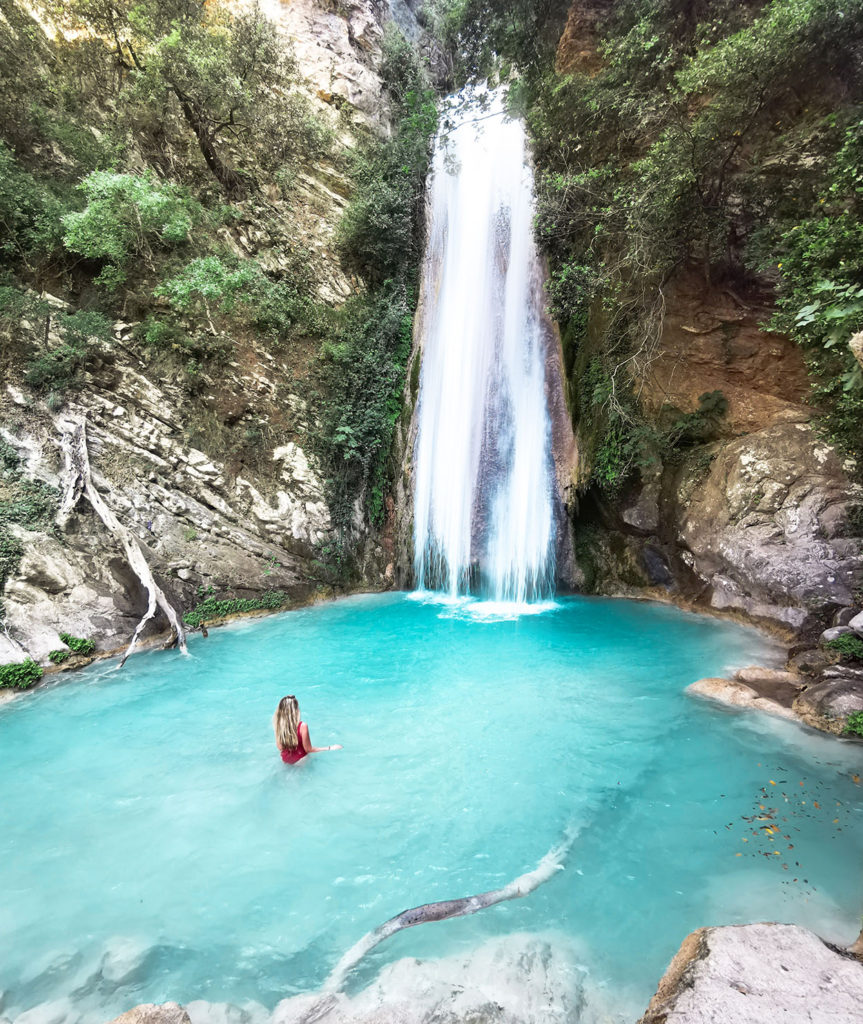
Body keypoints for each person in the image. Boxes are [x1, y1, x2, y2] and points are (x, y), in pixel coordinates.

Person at [273, 695, 342, 764]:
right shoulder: (302, 726)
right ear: (295, 710)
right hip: (300, 761)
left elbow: (280, 748)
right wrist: (329, 748)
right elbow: (309, 749)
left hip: (285, 760)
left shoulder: (278, 725)